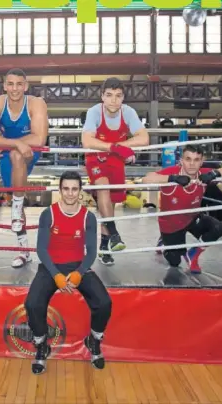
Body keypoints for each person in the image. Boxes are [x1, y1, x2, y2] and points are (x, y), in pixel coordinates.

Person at [25, 171, 111, 374]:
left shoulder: (88, 217)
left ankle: (93, 340)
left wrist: (79, 273)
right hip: (51, 267)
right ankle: (41, 345)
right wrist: (56, 275)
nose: (70, 193)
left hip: (78, 266)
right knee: (32, 303)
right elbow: (41, 249)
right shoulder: (49, 213)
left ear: (80, 191)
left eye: (74, 189)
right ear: (60, 190)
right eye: (66, 189)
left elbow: (91, 251)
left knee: (104, 302)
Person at [0, 68, 49, 268]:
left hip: (30, 151)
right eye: (10, 84)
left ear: (26, 86)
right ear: (4, 86)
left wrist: (7, 143)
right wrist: (16, 143)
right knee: (15, 186)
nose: (15, 88)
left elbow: (39, 138)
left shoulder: (37, 103)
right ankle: (24, 250)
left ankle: (16, 207)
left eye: (19, 84)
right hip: (10, 152)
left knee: (16, 155)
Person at [81, 77, 149, 265]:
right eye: (109, 95)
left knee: (109, 204)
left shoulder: (128, 112)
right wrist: (116, 147)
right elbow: (87, 141)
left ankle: (104, 246)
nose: (113, 100)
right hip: (95, 158)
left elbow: (144, 138)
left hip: (115, 159)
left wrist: (118, 147)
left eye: (118, 96)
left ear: (123, 98)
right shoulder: (94, 112)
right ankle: (115, 234)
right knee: (103, 188)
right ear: (102, 96)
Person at [141, 145, 222, 272]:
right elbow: (146, 179)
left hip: (192, 218)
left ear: (202, 162)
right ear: (181, 161)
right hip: (171, 225)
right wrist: (172, 178)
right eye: (188, 159)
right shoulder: (173, 172)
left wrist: (215, 173)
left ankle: (193, 254)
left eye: (196, 160)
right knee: (175, 262)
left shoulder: (203, 174)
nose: (192, 164)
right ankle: (164, 241)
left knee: (218, 228)